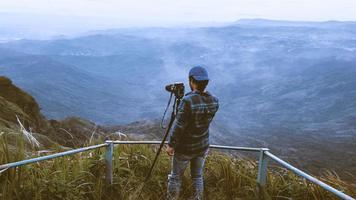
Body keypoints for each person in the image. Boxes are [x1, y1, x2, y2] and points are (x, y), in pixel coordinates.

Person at [166, 66, 219, 200]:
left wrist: (171, 144)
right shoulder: (214, 101)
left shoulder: (188, 100)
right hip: (202, 146)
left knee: (176, 177)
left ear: (191, 81)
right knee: (197, 177)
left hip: (185, 148)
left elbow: (179, 126)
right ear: (206, 82)